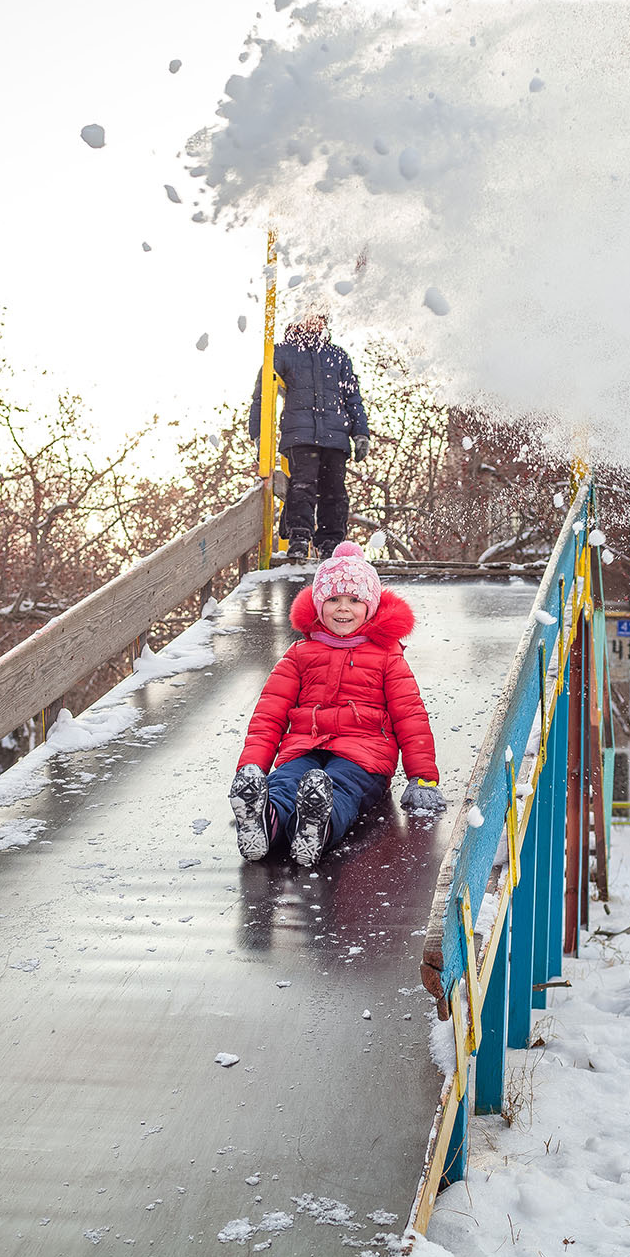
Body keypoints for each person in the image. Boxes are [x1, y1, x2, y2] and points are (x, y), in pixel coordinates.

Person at [229, 542, 446, 868]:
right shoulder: (300, 654)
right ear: (318, 605)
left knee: (340, 787)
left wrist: (422, 778)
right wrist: (253, 770)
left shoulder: (388, 656)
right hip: (304, 748)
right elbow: (269, 715)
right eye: (333, 599)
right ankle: (264, 821)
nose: (343, 608)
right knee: (285, 782)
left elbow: (410, 715)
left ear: (370, 606)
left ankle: (318, 827)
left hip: (364, 755)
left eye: (354, 600)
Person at [248, 313, 370, 561]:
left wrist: (360, 433)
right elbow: (262, 394)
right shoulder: (284, 352)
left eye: (320, 319)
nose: (315, 323)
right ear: (299, 320)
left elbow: (352, 398)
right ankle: (299, 537)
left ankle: (330, 545)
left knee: (334, 492)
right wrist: (260, 434)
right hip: (301, 435)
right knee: (302, 485)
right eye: (310, 318)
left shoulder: (337, 356)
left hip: (335, 437)